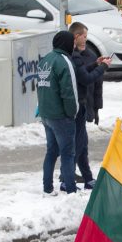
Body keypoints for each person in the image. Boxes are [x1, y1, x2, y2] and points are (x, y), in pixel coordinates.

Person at [69, 21, 111, 189]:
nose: (86, 40)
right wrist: (101, 67)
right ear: (76, 36)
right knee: (78, 144)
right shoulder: (73, 55)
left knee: (82, 144)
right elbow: (85, 78)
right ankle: (69, 176)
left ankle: (86, 178)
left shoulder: (87, 55)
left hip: (85, 105)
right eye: (84, 36)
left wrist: (96, 108)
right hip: (77, 106)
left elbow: (92, 81)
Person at [38, 30, 79, 195]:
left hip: (46, 114)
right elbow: (69, 92)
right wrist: (72, 113)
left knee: (51, 151)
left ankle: (47, 188)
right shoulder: (64, 61)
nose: (74, 46)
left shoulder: (45, 59)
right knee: (68, 154)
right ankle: (71, 191)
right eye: (73, 43)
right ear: (67, 44)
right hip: (61, 116)